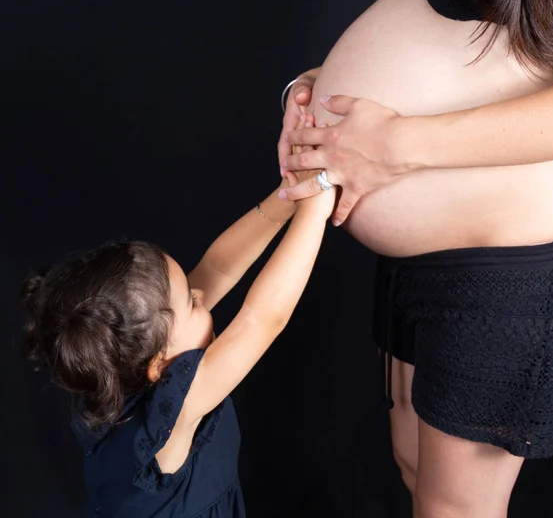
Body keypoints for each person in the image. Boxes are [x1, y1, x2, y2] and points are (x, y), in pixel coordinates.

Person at [275, 0, 553, 517]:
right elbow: (431, 20)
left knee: (455, 509)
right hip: (421, 250)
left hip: (510, 256)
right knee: (413, 464)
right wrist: (318, 98)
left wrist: (394, 143)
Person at [21, 120, 334, 518]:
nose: (201, 294)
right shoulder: (173, 416)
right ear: (159, 366)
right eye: (192, 303)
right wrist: (314, 208)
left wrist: (288, 195)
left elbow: (218, 268)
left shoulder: (121, 359)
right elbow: (262, 319)